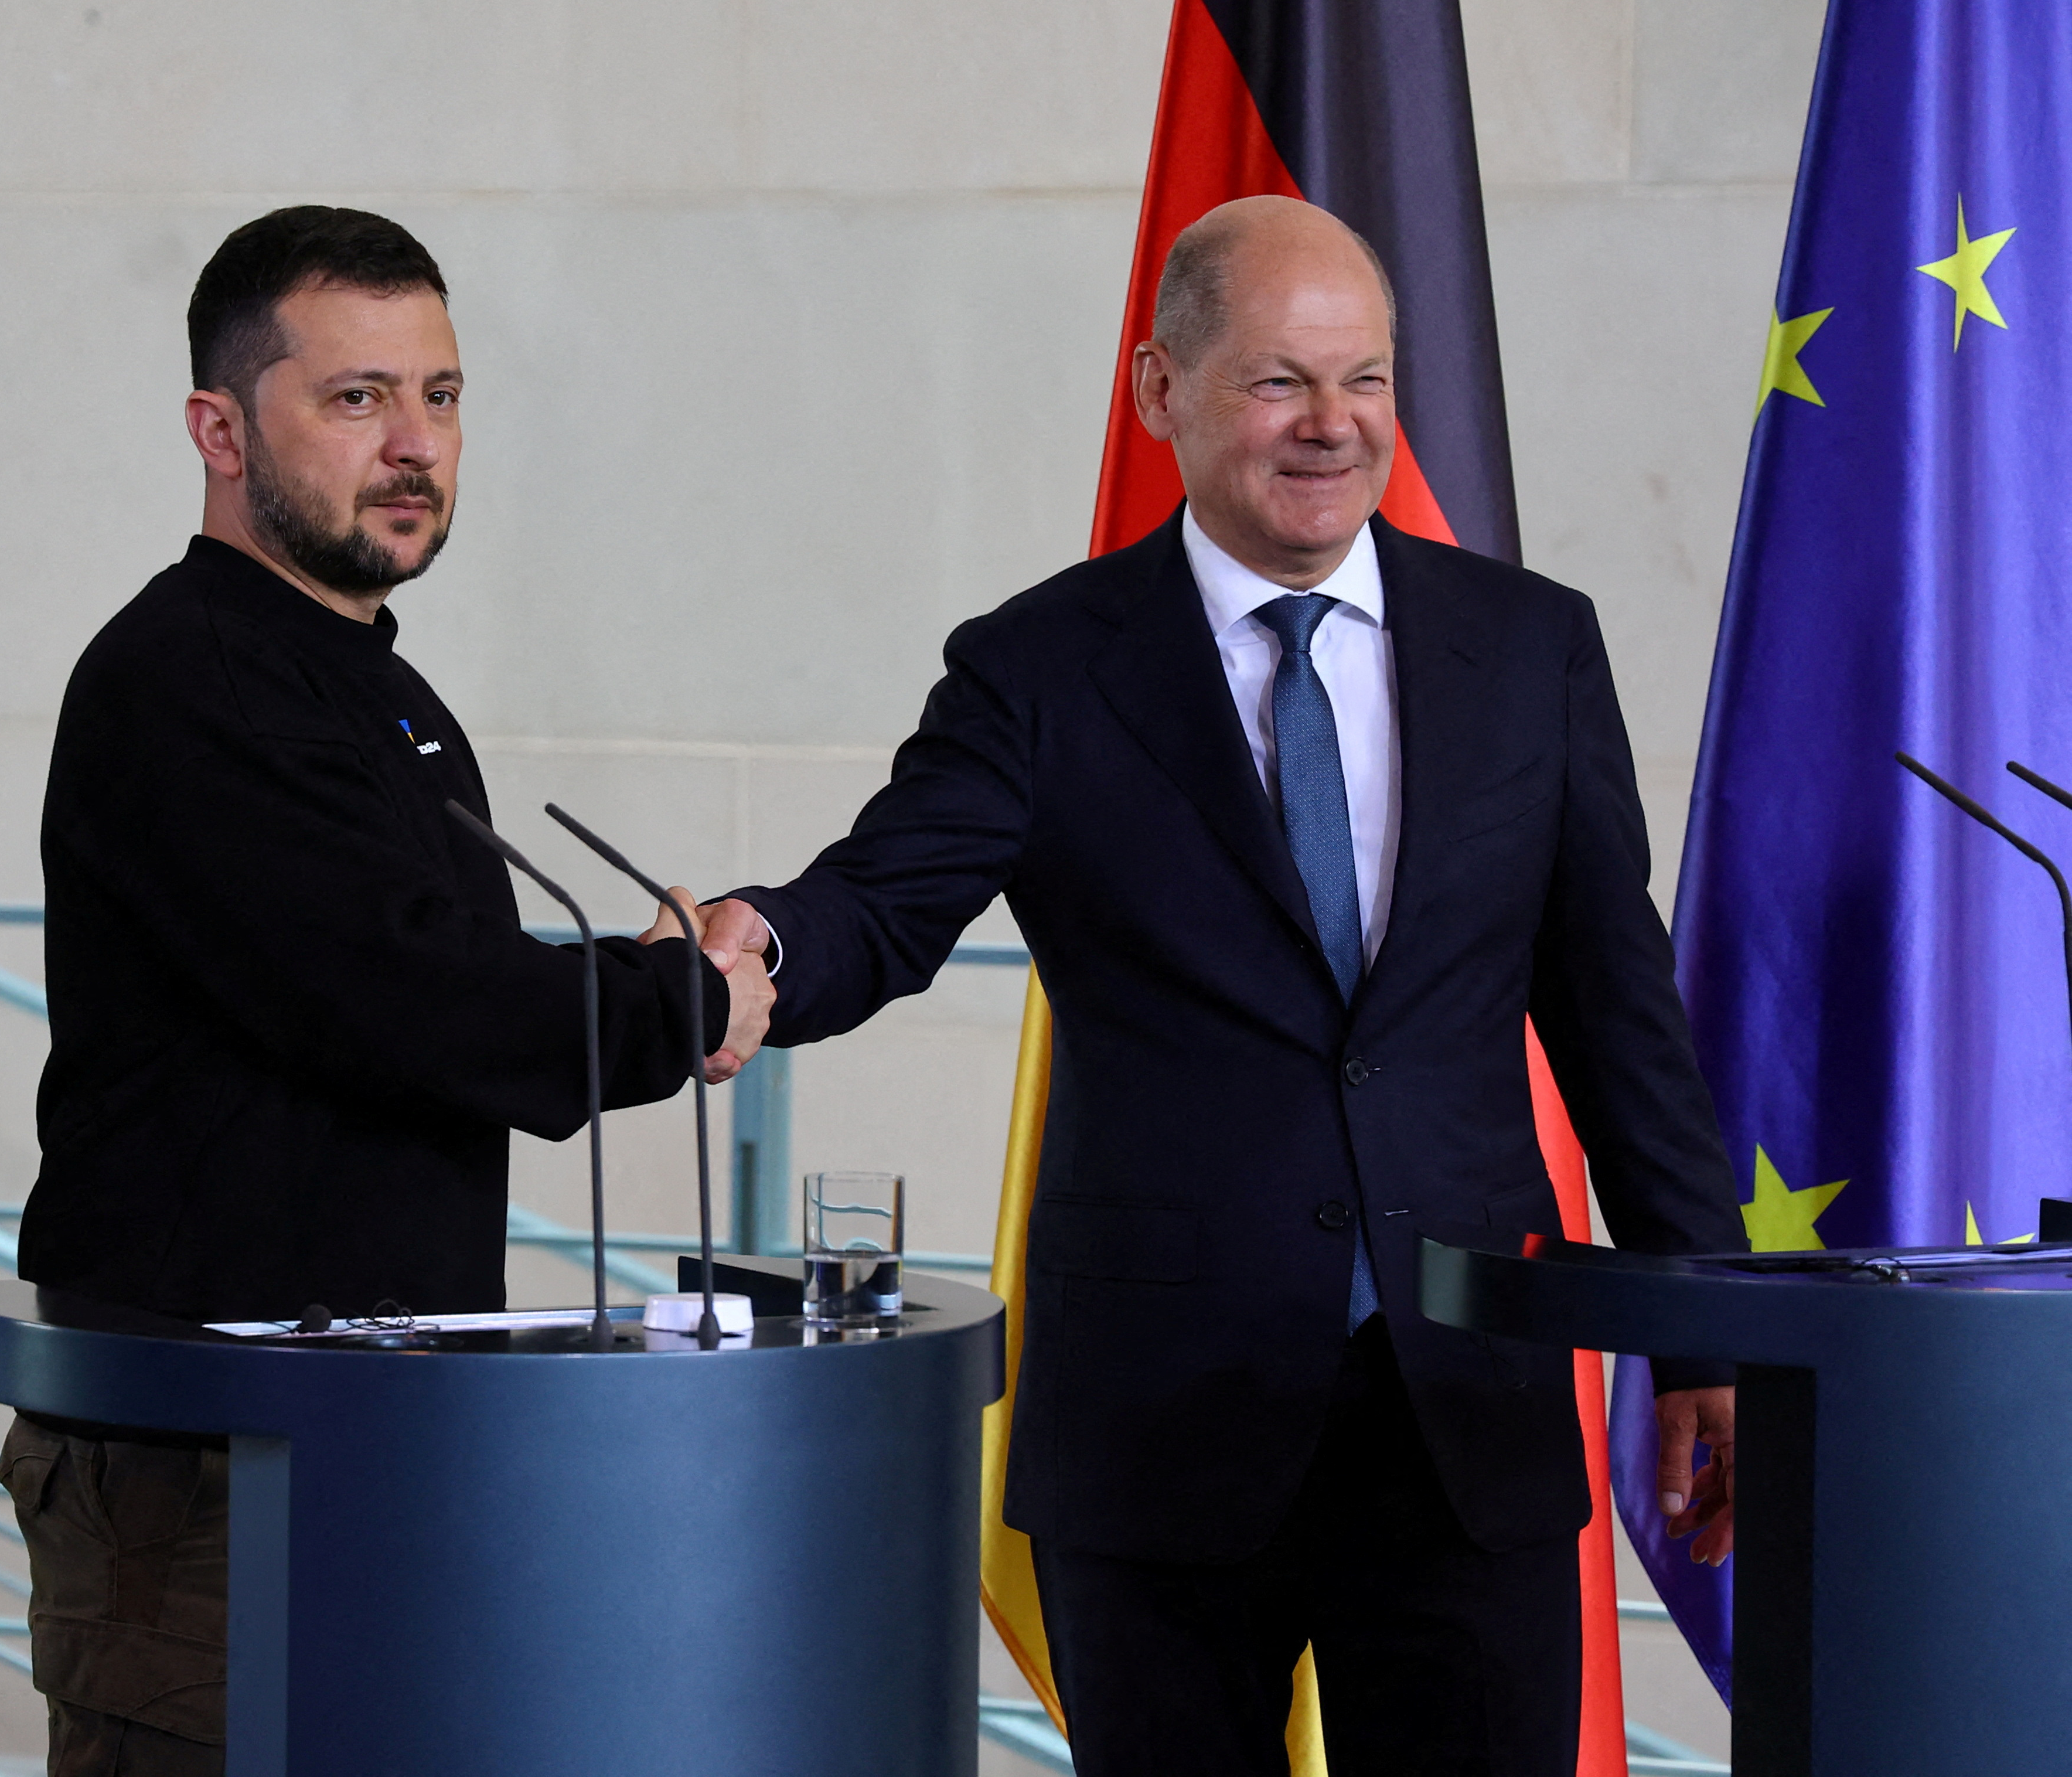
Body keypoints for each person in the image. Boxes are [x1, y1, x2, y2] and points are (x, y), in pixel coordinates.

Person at [689, 196, 1744, 1773]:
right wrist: (756, 945)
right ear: (1159, 392)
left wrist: (1705, 1325)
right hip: (1161, 1429)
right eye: (1277, 382)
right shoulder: (1042, 666)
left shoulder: (1532, 651)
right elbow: (885, 903)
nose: (1332, 427)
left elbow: (1617, 1011)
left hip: (1467, 1408)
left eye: (1366, 380)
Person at [4, 205, 773, 1776]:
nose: (416, 442)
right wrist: (676, 1007)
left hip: (373, 1440)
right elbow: (415, 1004)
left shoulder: (373, 686)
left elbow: (418, 972)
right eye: (356, 397)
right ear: (221, 427)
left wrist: (642, 975)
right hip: (213, 1464)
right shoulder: (189, 680)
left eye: (440, 394)